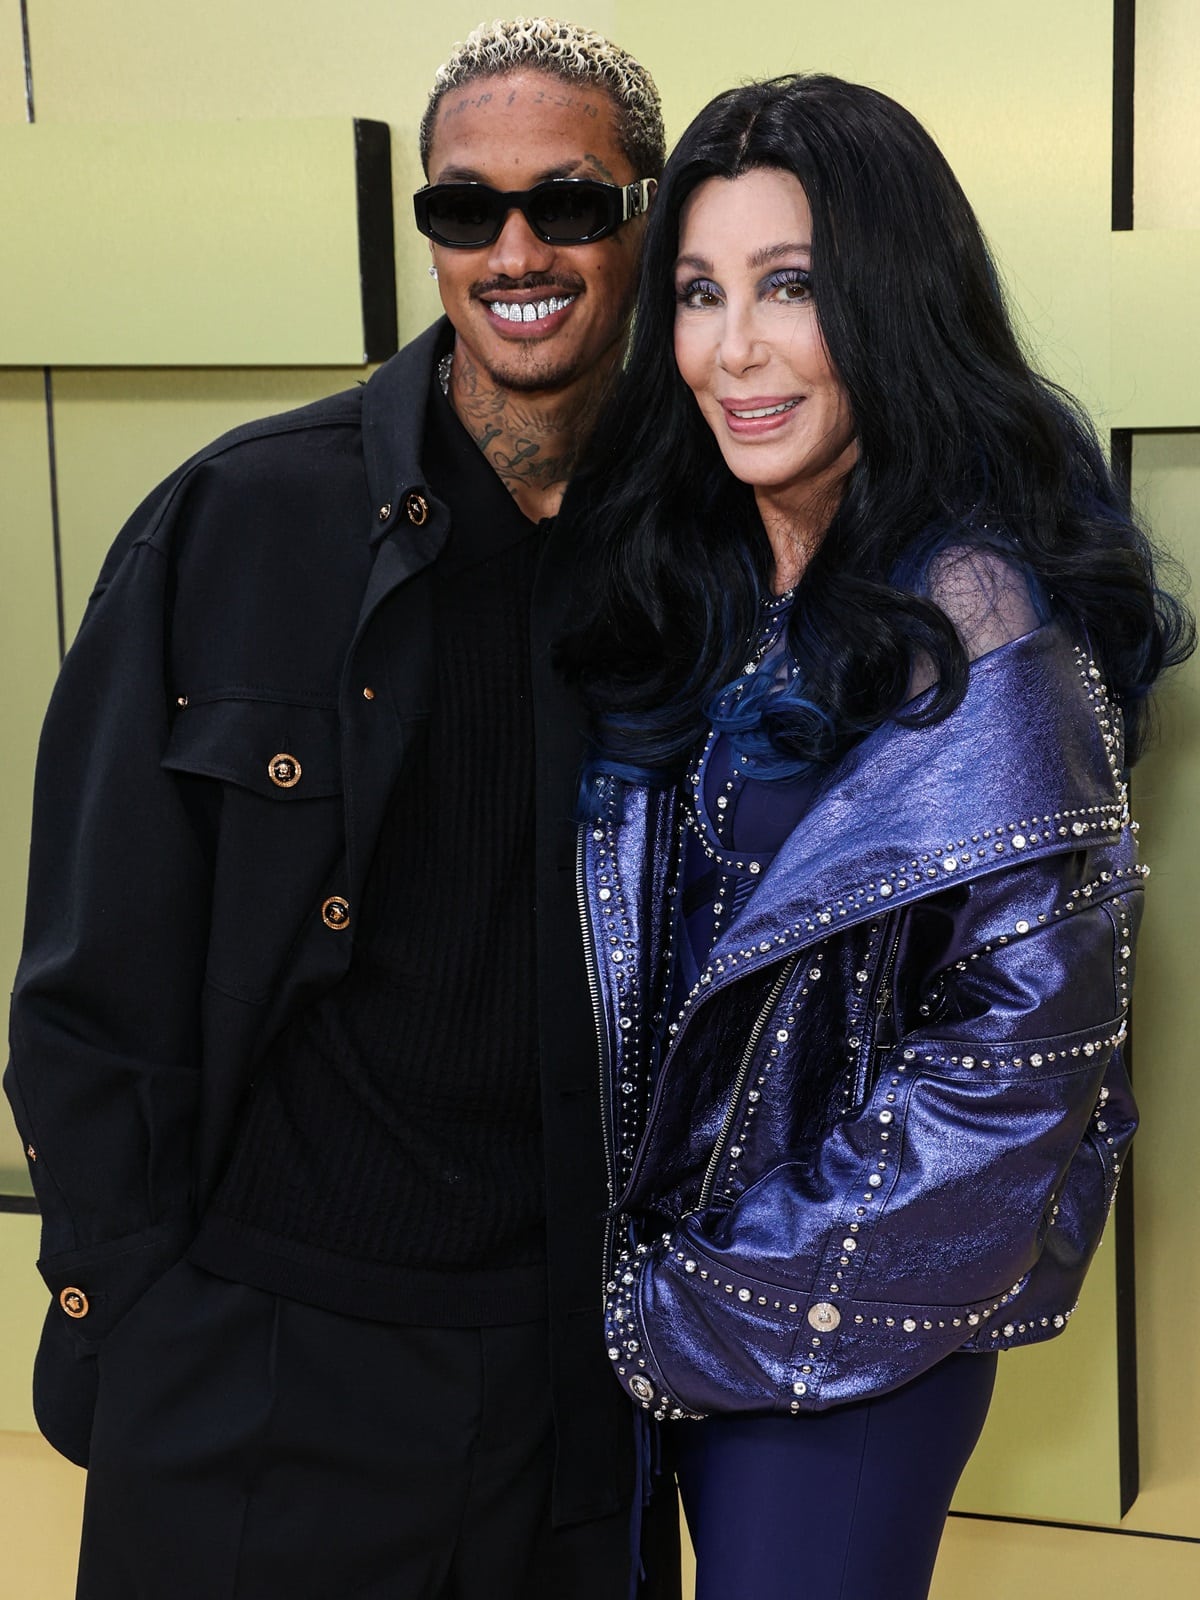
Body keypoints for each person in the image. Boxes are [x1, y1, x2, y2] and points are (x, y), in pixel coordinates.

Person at [5, 18, 681, 1600]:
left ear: (644, 223)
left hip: (575, 1375)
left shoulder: (714, 553)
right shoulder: (237, 520)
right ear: (430, 232)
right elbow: (90, 971)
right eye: (467, 209)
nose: (517, 250)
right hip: (256, 1352)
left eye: (571, 206)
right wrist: (135, 1306)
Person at [562, 74, 1193, 1599]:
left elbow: (1020, 1074)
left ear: (895, 306)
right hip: (633, 1288)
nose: (735, 349)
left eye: (793, 288)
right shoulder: (688, 573)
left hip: (840, 1324)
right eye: (702, 295)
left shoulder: (987, 632)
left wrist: (698, 1302)